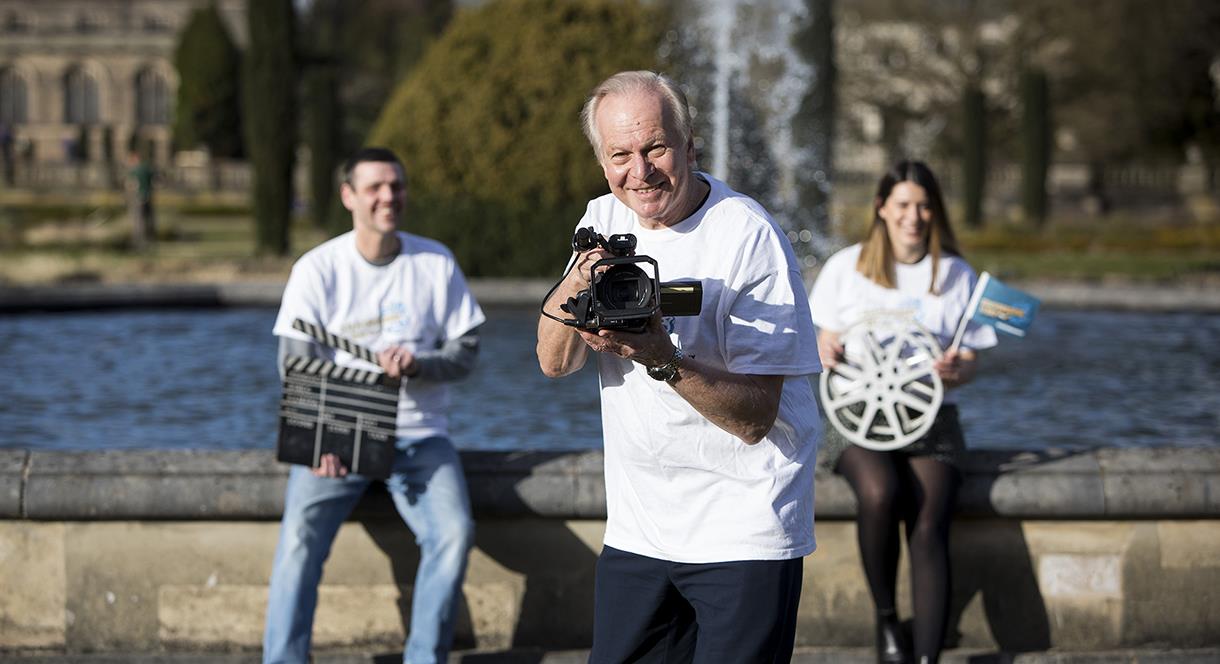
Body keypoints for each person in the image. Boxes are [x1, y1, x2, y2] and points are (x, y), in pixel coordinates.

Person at [536, 71, 822, 663]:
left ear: (690, 148)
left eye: (656, 148)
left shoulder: (748, 237)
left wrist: (661, 358)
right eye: (620, 155)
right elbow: (553, 363)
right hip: (640, 530)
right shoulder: (602, 220)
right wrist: (581, 278)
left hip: (743, 526)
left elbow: (754, 419)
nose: (639, 173)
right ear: (601, 160)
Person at [264, 147, 485, 664]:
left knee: (454, 534)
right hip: (339, 436)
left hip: (420, 434)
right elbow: (293, 366)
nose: (389, 197)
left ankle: (424, 658)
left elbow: (467, 353)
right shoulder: (317, 268)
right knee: (298, 541)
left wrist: (420, 365)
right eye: (375, 188)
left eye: (397, 186)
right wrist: (324, 438)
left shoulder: (435, 261)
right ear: (349, 197)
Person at [807, 160, 996, 664]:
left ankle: (929, 655)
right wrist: (825, 349)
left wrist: (959, 370)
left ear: (934, 211)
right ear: (882, 208)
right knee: (880, 492)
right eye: (904, 205)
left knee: (931, 518)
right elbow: (818, 340)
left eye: (924, 205)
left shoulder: (956, 275)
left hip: (932, 416)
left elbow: (972, 361)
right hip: (857, 416)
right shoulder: (845, 267)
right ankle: (889, 623)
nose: (914, 216)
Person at [125, 150, 155, 248]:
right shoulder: (147, 168)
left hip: (138, 197)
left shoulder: (134, 171)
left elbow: (130, 185)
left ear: (135, 159)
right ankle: (150, 239)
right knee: (149, 219)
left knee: (138, 220)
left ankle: (139, 241)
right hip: (148, 196)